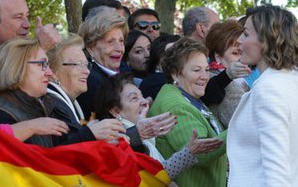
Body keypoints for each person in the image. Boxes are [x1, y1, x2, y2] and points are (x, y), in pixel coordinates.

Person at [227, 5, 298, 187]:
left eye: (246, 34)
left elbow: (276, 173)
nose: (239, 41)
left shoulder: (268, 88)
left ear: (267, 40)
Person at [95, 73, 224, 179]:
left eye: (141, 96)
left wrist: (190, 152)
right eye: (134, 98)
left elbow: (159, 173)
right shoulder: (117, 141)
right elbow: (155, 178)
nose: (144, 102)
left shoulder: (140, 136)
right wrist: (188, 152)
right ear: (115, 111)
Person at [149, 37, 227, 187]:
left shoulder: (187, 96)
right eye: (196, 70)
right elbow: (200, 153)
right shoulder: (175, 105)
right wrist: (239, 126)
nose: (205, 77)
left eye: (206, 70)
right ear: (175, 73)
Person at [0, 38, 69, 147]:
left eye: (48, 64)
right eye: (42, 64)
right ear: (18, 67)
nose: (49, 72)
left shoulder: (44, 101)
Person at [46, 34, 129, 146]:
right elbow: (61, 153)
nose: (87, 72)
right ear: (53, 71)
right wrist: (91, 134)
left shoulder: (64, 103)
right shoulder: (52, 105)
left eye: (86, 65)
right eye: (78, 64)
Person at [77, 12, 127, 119]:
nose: (119, 48)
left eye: (121, 41)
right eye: (110, 42)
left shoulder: (117, 76)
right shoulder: (91, 81)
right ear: (90, 48)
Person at [205, 20, 247, 128]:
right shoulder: (210, 78)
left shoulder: (246, 76)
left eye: (244, 52)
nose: (242, 58)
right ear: (218, 56)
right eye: (236, 53)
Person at [139, 33, 180, 100]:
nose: (179, 56)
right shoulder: (155, 81)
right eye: (171, 53)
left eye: (181, 51)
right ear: (157, 63)